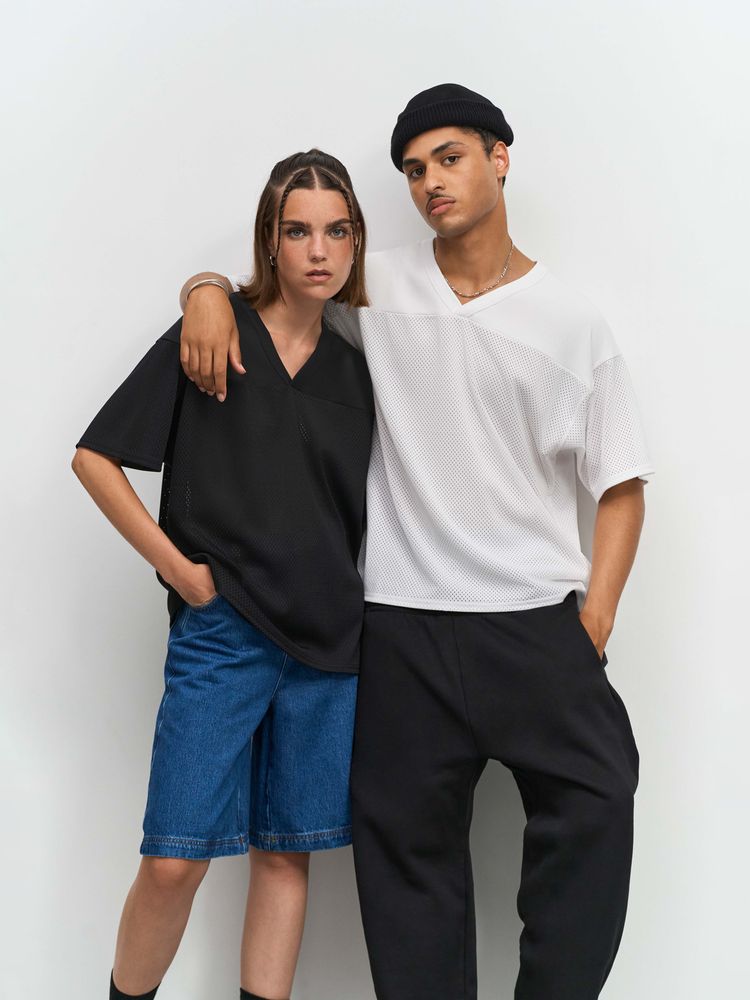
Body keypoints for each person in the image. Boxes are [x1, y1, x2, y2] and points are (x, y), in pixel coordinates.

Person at [175, 84, 655, 1000]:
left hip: (532, 624)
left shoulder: (571, 322)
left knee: (600, 795)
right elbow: (279, 290)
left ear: (499, 159)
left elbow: (622, 484)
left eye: (449, 157)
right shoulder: (373, 286)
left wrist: (594, 617)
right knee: (405, 860)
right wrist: (203, 290)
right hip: (399, 627)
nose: (430, 180)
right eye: (412, 169)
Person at [72, 149, 373, 1000]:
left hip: (327, 649)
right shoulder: (215, 334)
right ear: (270, 239)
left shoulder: (359, 366)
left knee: (284, 855)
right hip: (223, 635)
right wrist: (179, 571)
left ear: (356, 241)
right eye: (298, 231)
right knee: (174, 861)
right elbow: (95, 458)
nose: (319, 250)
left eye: (337, 231)